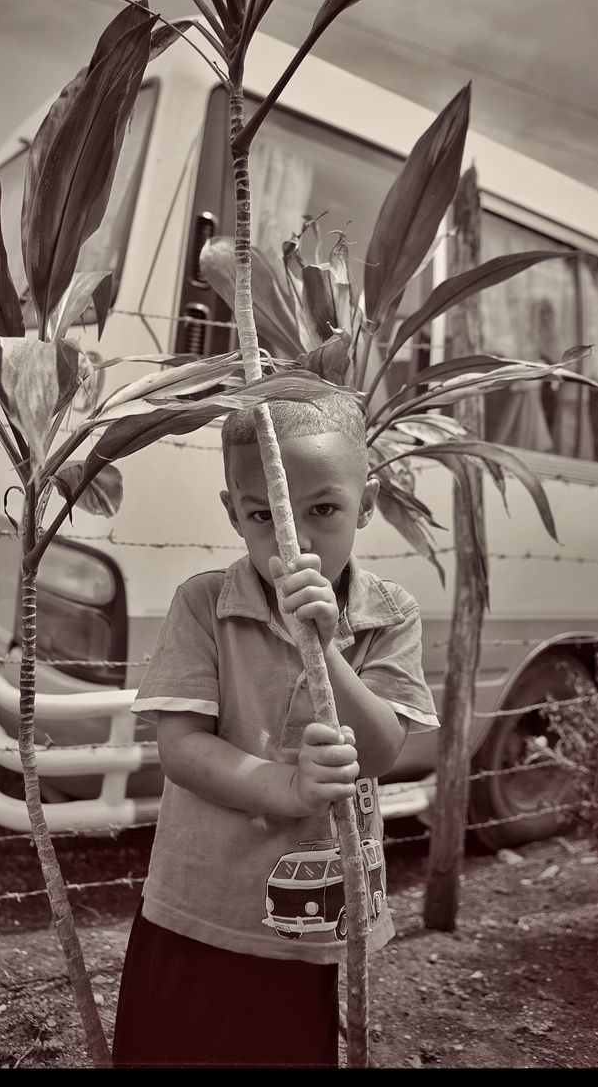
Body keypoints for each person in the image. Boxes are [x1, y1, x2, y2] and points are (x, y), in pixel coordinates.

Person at [112, 392, 439, 1069]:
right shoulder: (204, 604)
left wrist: (323, 649)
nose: (293, 539)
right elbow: (179, 749)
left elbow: (379, 750)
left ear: (367, 502)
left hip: (311, 916)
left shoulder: (388, 613)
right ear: (234, 513)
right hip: (197, 903)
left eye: (322, 509)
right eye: (263, 515)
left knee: (285, 1046)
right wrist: (286, 787)